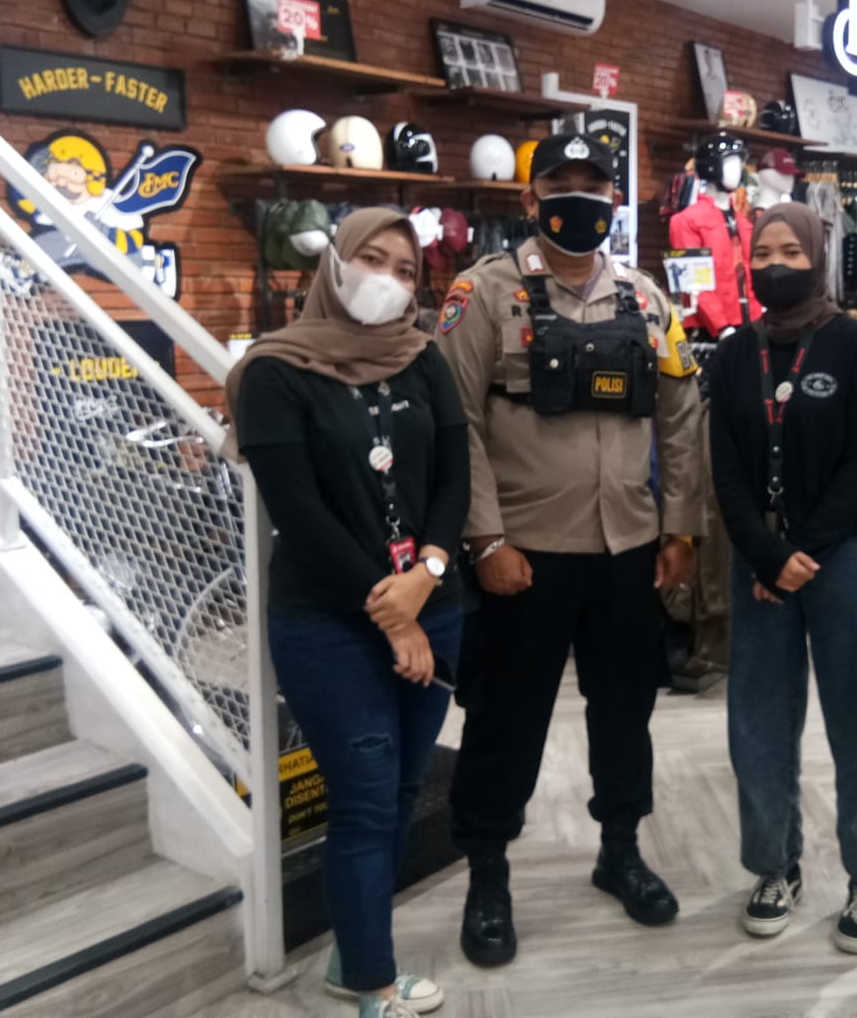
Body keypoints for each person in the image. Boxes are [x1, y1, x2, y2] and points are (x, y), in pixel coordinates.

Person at [437, 133, 705, 966]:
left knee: (625, 711)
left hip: (628, 546)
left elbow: (680, 417)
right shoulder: (483, 292)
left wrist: (681, 527)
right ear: (531, 198)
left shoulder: (646, 299)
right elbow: (455, 422)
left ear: (615, 200)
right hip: (524, 552)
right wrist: (485, 538)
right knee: (505, 717)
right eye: (560, 183)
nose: (578, 197)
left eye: (594, 184)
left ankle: (619, 850)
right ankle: (488, 873)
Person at [227, 208, 470, 1018]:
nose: (388, 280)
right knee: (365, 799)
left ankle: (353, 957)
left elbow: (456, 475)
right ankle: (373, 984)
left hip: (434, 606)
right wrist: (394, 615)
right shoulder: (273, 371)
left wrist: (429, 573)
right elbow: (299, 513)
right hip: (329, 623)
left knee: (401, 791)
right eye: (372, 258)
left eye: (405, 270)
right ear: (334, 263)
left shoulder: (423, 355)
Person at [707, 202, 857, 953]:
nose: (776, 264)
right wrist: (765, 554)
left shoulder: (853, 343)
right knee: (758, 722)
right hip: (758, 559)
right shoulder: (734, 353)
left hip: (840, 558)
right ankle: (772, 865)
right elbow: (725, 465)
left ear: (817, 256)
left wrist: (801, 553)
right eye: (763, 252)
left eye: (792, 251)